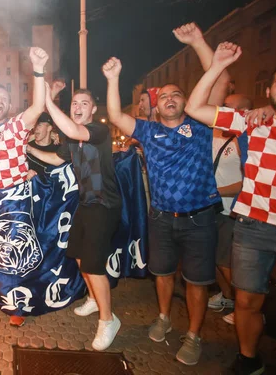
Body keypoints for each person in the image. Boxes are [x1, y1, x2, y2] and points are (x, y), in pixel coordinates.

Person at [102, 23, 231, 366]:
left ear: (187, 102)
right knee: (162, 274)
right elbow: (115, 115)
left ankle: (194, 335)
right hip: (160, 217)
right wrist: (114, 78)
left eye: (177, 94)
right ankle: (163, 317)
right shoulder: (148, 130)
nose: (170, 98)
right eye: (164, 97)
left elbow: (220, 82)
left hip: (200, 218)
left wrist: (199, 42)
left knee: (197, 281)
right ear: (156, 108)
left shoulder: (200, 125)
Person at [184, 42, 276, 375]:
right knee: (246, 301)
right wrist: (215, 66)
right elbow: (195, 107)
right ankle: (248, 359)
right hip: (253, 225)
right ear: (270, 90)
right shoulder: (250, 122)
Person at [27, 84, 123, 351]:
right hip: (86, 204)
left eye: (83, 103)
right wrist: (30, 150)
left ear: (93, 109)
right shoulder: (72, 140)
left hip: (105, 205)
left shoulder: (98, 132)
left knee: (93, 264)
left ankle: (108, 319)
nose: (78, 107)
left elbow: (71, 129)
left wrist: (47, 99)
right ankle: (94, 298)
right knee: (79, 255)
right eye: (74, 104)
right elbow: (57, 161)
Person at [0, 47, 48, 327]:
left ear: (9, 104)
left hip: (16, 199)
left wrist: (38, 69)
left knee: (15, 250)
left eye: (4, 98)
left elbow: (38, 106)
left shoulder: (18, 126)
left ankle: (18, 305)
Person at [207, 94, 252, 325]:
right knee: (215, 259)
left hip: (231, 211)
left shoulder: (245, 140)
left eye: (229, 107)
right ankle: (228, 297)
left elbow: (249, 182)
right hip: (213, 209)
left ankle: (247, 309)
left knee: (226, 262)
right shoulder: (214, 135)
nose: (222, 110)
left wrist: (217, 192)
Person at [26, 112, 60, 182]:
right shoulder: (26, 148)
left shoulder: (59, 149)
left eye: (39, 125)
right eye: (34, 125)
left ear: (49, 128)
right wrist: (24, 174)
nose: (35, 128)